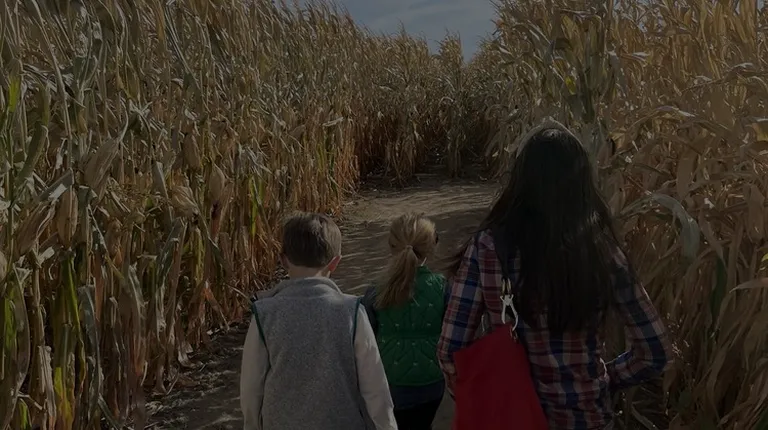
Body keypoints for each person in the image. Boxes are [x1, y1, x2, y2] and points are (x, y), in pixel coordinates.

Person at [437, 122, 673, 430]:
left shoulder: (488, 247)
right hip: (588, 419)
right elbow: (655, 350)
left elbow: (450, 350)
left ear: (521, 181)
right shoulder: (601, 250)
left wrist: (483, 394)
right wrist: (605, 379)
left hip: (514, 419)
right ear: (582, 184)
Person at [240, 212, 397, 430]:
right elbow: (375, 385)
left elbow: (251, 386)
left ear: (283, 259)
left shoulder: (264, 313)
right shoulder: (351, 311)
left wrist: (252, 425)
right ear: (335, 263)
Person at [361, 213, 446, 430]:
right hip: (432, 383)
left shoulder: (377, 290)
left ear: (391, 246)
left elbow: (365, 337)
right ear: (432, 247)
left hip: (390, 382)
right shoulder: (442, 287)